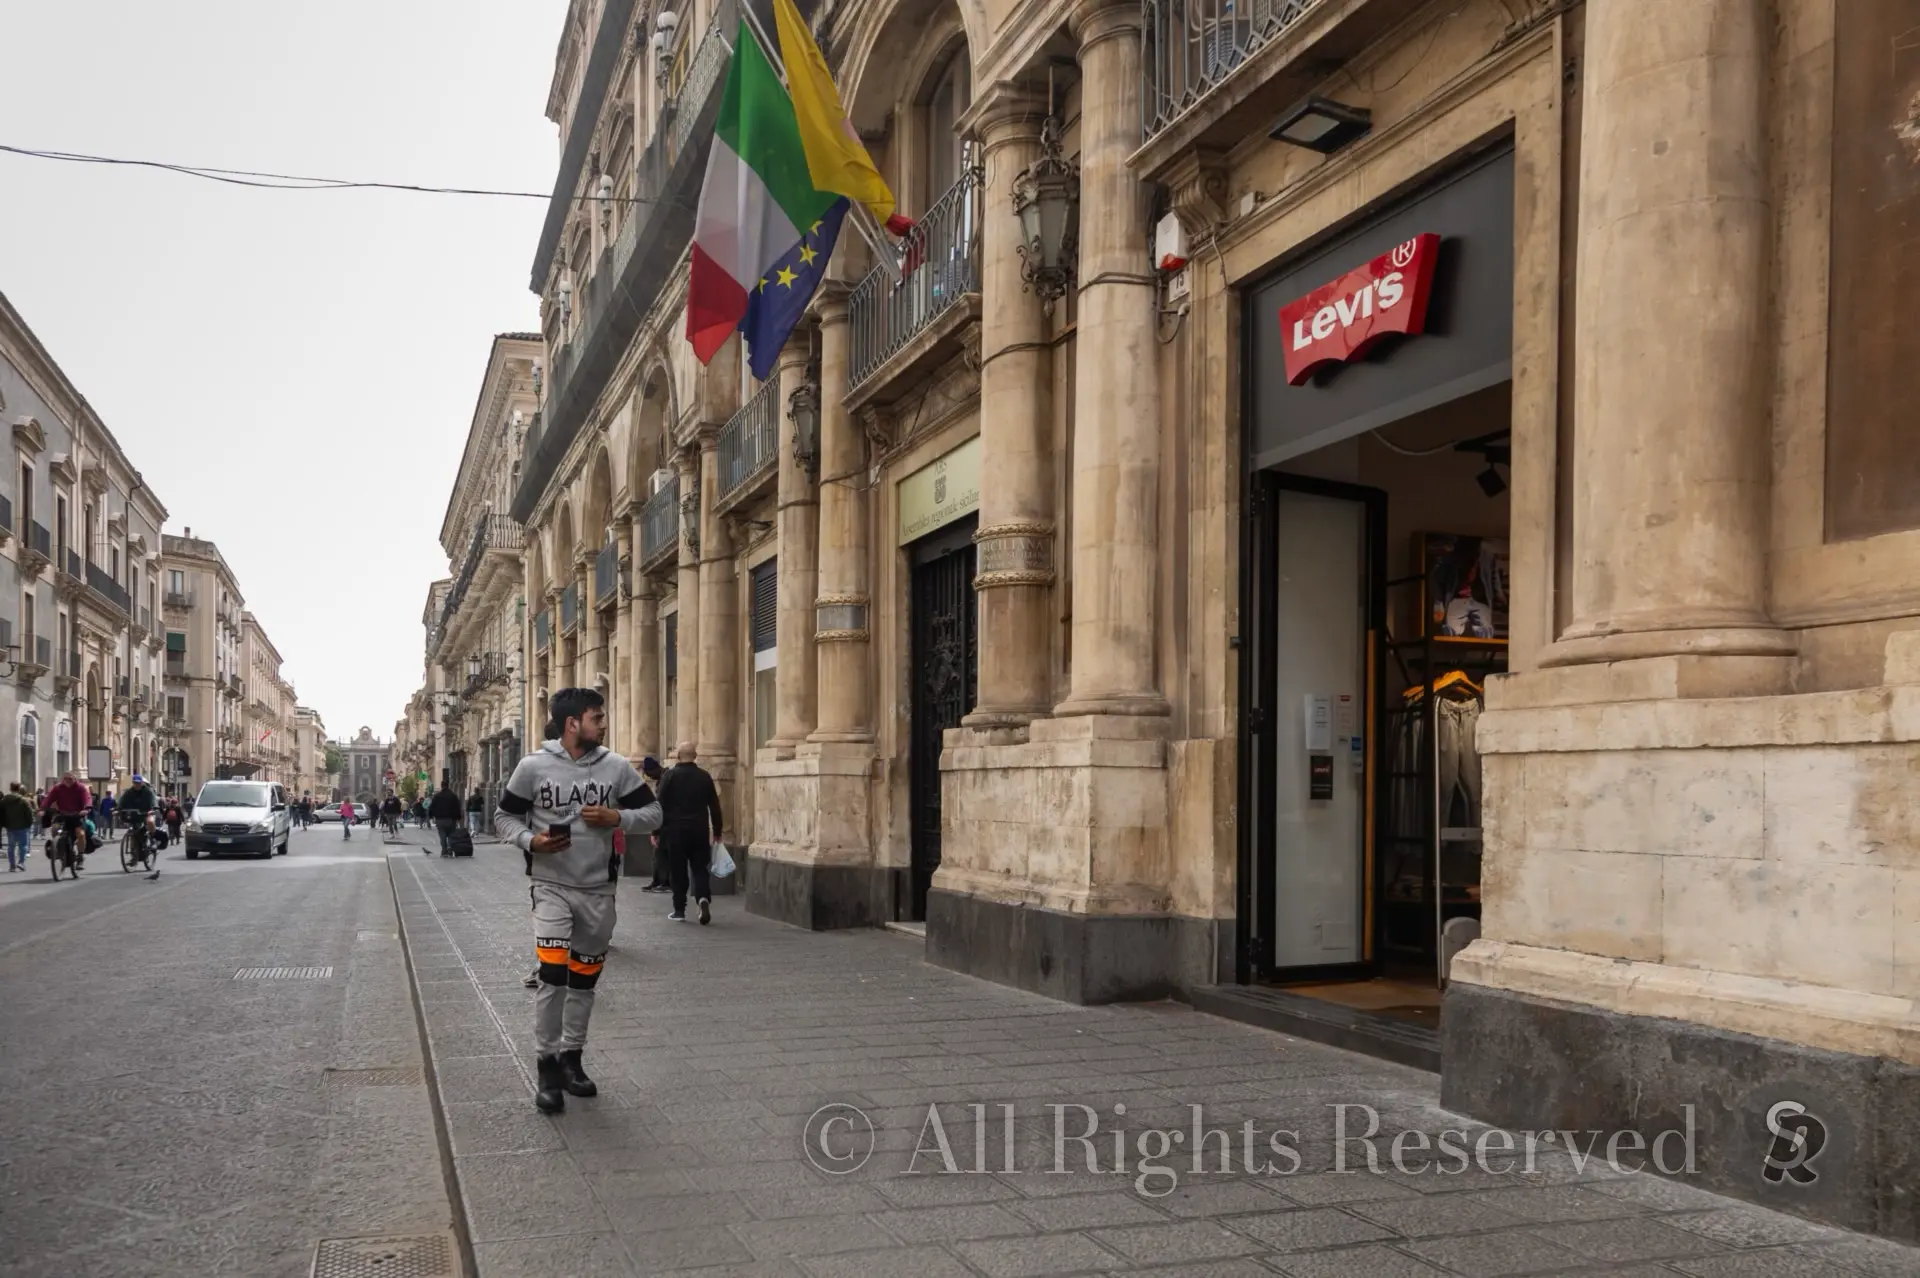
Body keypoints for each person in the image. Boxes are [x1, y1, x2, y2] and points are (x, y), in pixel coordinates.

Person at [495, 687, 661, 1114]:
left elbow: (655, 814)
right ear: (573, 724)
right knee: (553, 975)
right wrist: (530, 840)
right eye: (596, 718)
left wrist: (617, 817)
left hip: (598, 891)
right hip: (550, 887)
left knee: (584, 980)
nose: (603, 725)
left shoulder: (616, 767)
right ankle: (547, 1068)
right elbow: (504, 816)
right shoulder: (532, 767)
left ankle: (573, 1060)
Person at [656, 741, 723, 925]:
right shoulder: (704, 777)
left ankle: (679, 910)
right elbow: (714, 807)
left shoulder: (670, 776)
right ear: (695, 757)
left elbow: (659, 805)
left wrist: (656, 831)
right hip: (699, 830)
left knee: (678, 871)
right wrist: (717, 830)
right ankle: (702, 898)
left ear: (678, 756)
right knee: (700, 867)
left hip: (675, 831)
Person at [43, 772, 94, 867]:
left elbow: (87, 798)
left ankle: (80, 856)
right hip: (62, 814)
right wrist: (42, 808)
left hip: (77, 815)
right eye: (65, 779)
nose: (67, 781)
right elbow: (48, 798)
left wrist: (86, 808)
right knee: (55, 828)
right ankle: (58, 847)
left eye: (70, 779)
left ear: (75, 779)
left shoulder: (81, 788)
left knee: (80, 834)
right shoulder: (58, 788)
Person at [637, 756, 670, 893]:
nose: (649, 777)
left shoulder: (666, 779)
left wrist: (655, 831)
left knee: (662, 853)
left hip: (667, 823)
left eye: (649, 773)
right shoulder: (662, 779)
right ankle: (657, 881)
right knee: (658, 853)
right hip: (663, 822)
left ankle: (664, 882)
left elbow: (661, 806)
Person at [118, 774, 158, 858]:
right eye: (135, 783)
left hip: (146, 813)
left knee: (150, 821)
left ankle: (153, 839)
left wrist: (152, 809)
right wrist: (117, 809)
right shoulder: (129, 792)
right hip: (134, 815)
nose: (137, 785)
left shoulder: (148, 792)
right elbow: (122, 801)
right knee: (134, 834)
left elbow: (153, 801)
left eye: (138, 783)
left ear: (142, 783)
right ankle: (134, 856)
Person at [2, 783, 35, 872]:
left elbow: (1, 812)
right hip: (23, 826)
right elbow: (29, 813)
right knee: (23, 846)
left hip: (10, 826)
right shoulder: (24, 800)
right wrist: (30, 822)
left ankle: (12, 865)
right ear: (19, 789)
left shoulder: (4, 800)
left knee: (11, 846)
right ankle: (21, 862)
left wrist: (4, 823)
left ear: (10, 788)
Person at [427, 782, 463, 855]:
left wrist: (430, 816)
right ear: (448, 786)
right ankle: (450, 848)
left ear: (441, 786)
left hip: (440, 819)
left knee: (442, 834)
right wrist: (458, 817)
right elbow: (457, 807)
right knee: (451, 834)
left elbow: (431, 807)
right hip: (451, 819)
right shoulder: (453, 796)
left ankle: (444, 850)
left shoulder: (437, 796)